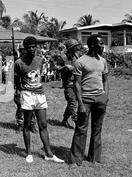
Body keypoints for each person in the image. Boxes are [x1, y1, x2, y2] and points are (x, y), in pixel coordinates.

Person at [14, 36, 64, 164]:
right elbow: (16, 81)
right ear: (24, 49)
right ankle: (29, 153)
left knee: (43, 124)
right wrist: (23, 92)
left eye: (33, 46)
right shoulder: (19, 63)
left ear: (36, 47)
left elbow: (54, 67)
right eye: (29, 47)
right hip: (27, 95)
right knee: (27, 124)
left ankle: (48, 153)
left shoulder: (40, 60)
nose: (31, 49)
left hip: (40, 95)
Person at [69, 34, 109, 166]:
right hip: (85, 100)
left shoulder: (102, 61)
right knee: (81, 129)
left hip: (100, 99)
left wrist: (105, 96)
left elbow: (105, 80)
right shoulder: (80, 61)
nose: (103, 46)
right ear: (92, 45)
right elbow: (77, 84)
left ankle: (95, 158)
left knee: (97, 129)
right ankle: (75, 160)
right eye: (101, 43)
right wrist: (80, 103)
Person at [58, 39, 83, 129]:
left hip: (77, 83)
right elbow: (56, 67)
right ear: (70, 48)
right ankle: (77, 122)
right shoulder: (63, 57)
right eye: (74, 47)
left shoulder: (77, 56)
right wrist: (65, 67)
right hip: (68, 84)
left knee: (71, 104)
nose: (77, 48)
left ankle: (64, 120)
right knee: (72, 103)